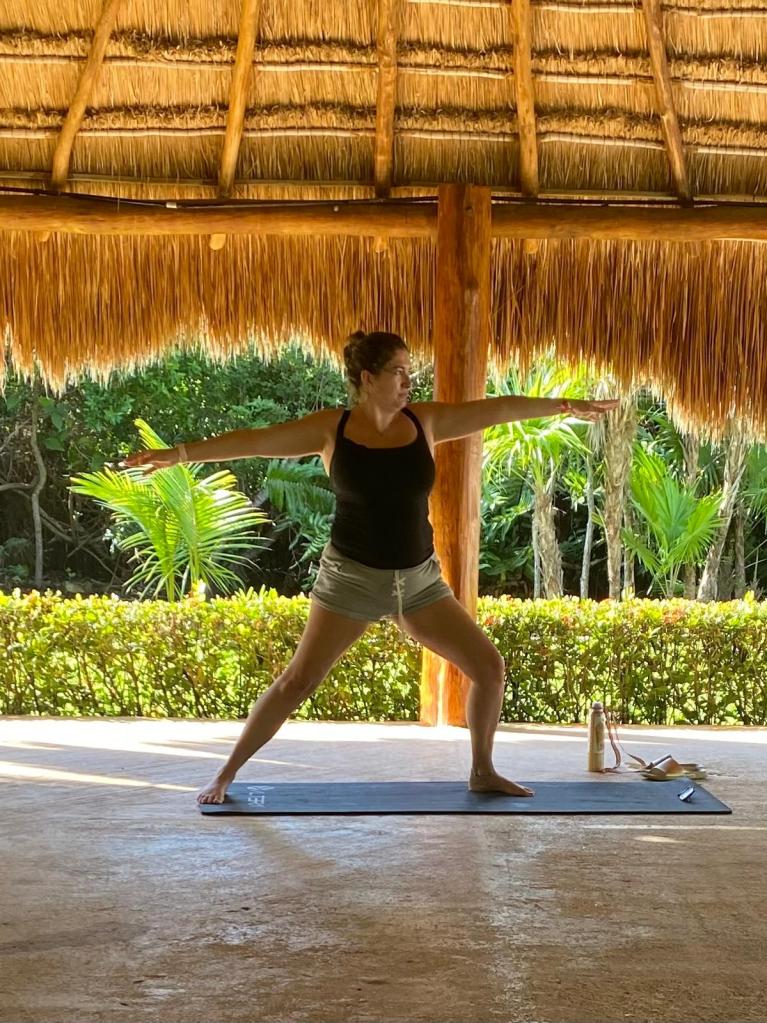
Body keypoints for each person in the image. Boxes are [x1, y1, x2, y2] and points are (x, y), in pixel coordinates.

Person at [123, 331, 618, 803]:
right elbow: (255, 439)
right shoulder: (330, 429)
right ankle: (225, 774)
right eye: (399, 372)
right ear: (367, 377)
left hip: (420, 582)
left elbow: (496, 410)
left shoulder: (424, 422)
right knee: (298, 681)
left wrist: (564, 406)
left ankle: (482, 771)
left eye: (410, 372)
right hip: (350, 581)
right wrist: (179, 455)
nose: (408, 382)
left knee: (488, 668)